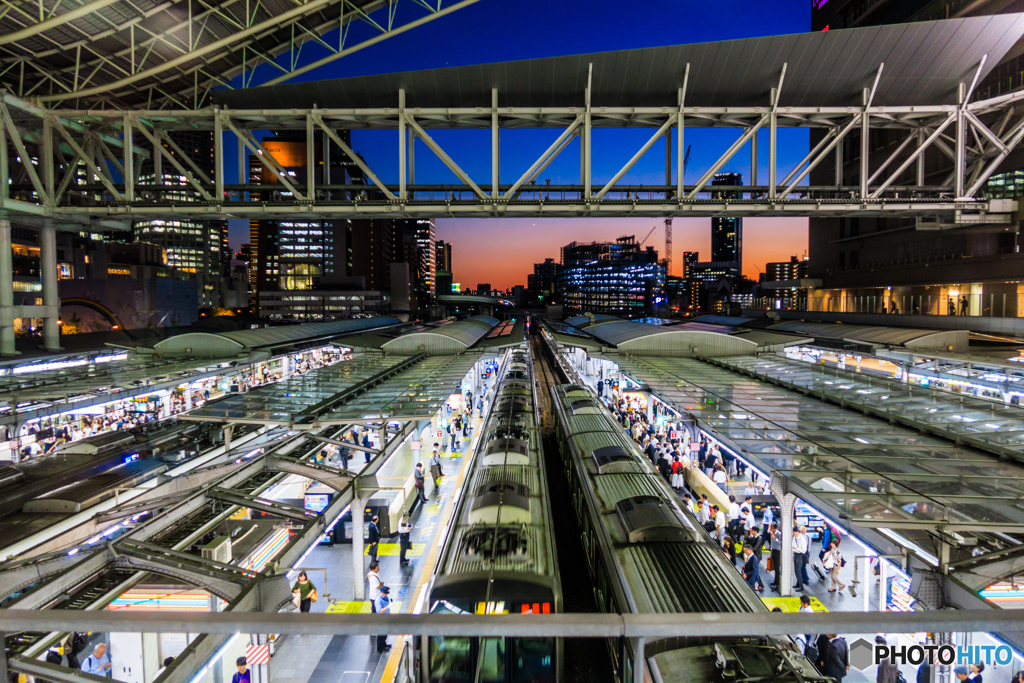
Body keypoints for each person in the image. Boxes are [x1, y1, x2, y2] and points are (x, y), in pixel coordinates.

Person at [375, 586, 392, 652]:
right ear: (381, 592)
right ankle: (380, 648)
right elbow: (379, 611)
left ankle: (384, 644)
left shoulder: (385, 597)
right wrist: (388, 607)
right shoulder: (378, 600)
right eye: (385, 593)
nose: (386, 594)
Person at [793, 526, 809, 591]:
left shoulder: (802, 539)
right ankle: (798, 583)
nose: (793, 534)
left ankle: (801, 586)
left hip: (800, 556)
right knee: (796, 571)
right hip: (795, 554)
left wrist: (796, 548)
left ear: (797, 532)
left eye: (794, 533)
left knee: (798, 571)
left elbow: (803, 550)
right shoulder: (794, 538)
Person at [769, 523, 783, 591]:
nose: (771, 529)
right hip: (774, 551)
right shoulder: (771, 533)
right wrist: (771, 550)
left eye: (773, 528)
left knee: (777, 568)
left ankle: (777, 583)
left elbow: (780, 543)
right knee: (774, 567)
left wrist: (775, 538)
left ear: (776, 528)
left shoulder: (779, 534)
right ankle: (775, 581)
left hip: (778, 552)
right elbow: (772, 543)